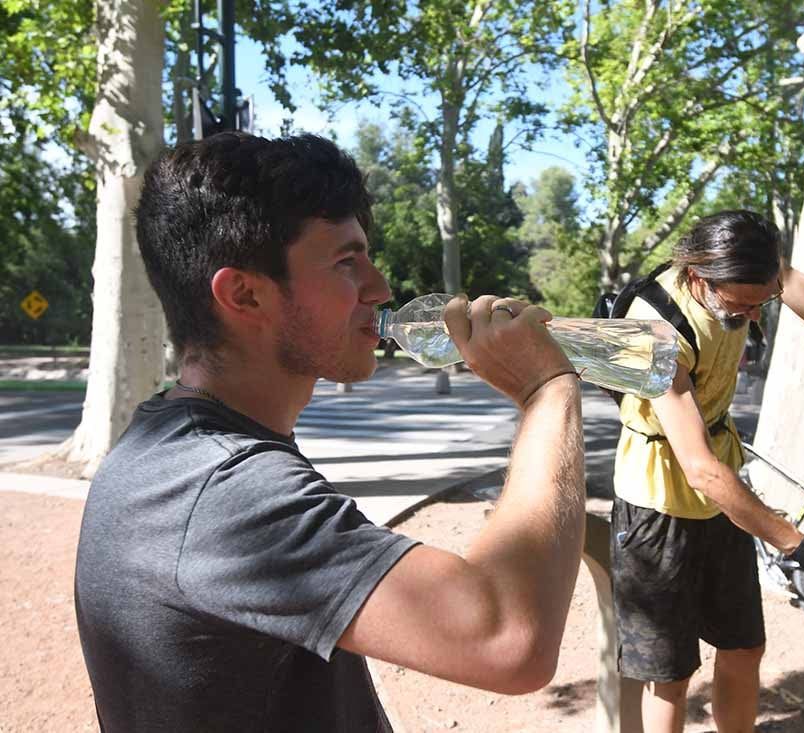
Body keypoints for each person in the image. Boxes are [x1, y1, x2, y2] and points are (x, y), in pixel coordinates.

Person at [74, 132, 587, 732]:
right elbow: (508, 638)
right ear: (243, 293)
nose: (380, 288)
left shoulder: (181, 448)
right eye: (347, 262)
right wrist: (548, 391)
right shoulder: (218, 490)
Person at [610, 210, 804, 733]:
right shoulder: (651, 328)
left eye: (762, 301)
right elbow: (699, 469)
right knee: (669, 675)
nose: (752, 314)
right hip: (655, 505)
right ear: (701, 277)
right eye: (740, 305)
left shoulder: (759, 274)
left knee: (744, 647)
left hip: (723, 491)